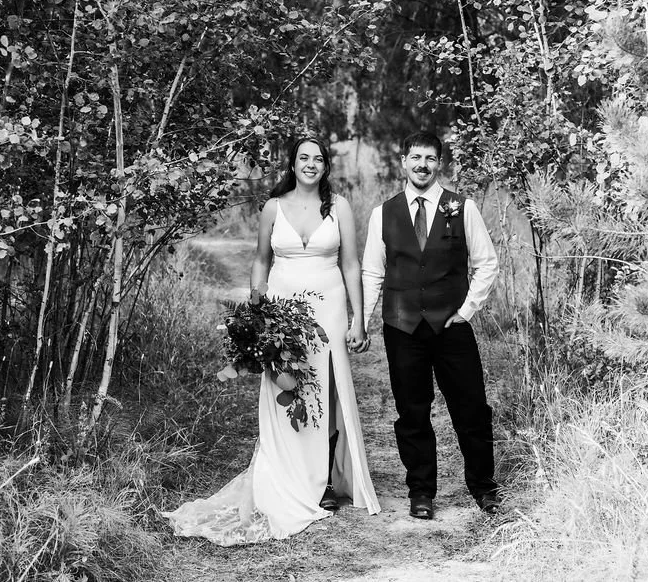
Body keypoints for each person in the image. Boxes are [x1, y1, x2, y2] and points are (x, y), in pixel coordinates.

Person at [162, 137, 380, 544]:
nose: (310, 164)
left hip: (328, 309)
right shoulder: (273, 207)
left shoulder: (340, 207)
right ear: (292, 164)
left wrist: (357, 319)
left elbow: (351, 263)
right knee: (287, 385)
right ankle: (288, 472)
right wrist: (257, 316)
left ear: (326, 166)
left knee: (326, 389)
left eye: (318, 159)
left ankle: (327, 480)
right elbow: (261, 260)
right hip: (281, 313)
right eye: (303, 158)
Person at [361, 131, 500, 520]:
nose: (422, 165)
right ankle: (421, 492)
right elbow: (372, 271)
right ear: (403, 161)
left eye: (430, 158)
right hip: (402, 327)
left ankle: (484, 489)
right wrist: (364, 322)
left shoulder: (462, 207)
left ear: (440, 164)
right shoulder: (382, 214)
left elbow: (486, 263)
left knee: (471, 408)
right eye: (415, 157)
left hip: (452, 326)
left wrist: (467, 310)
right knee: (412, 412)